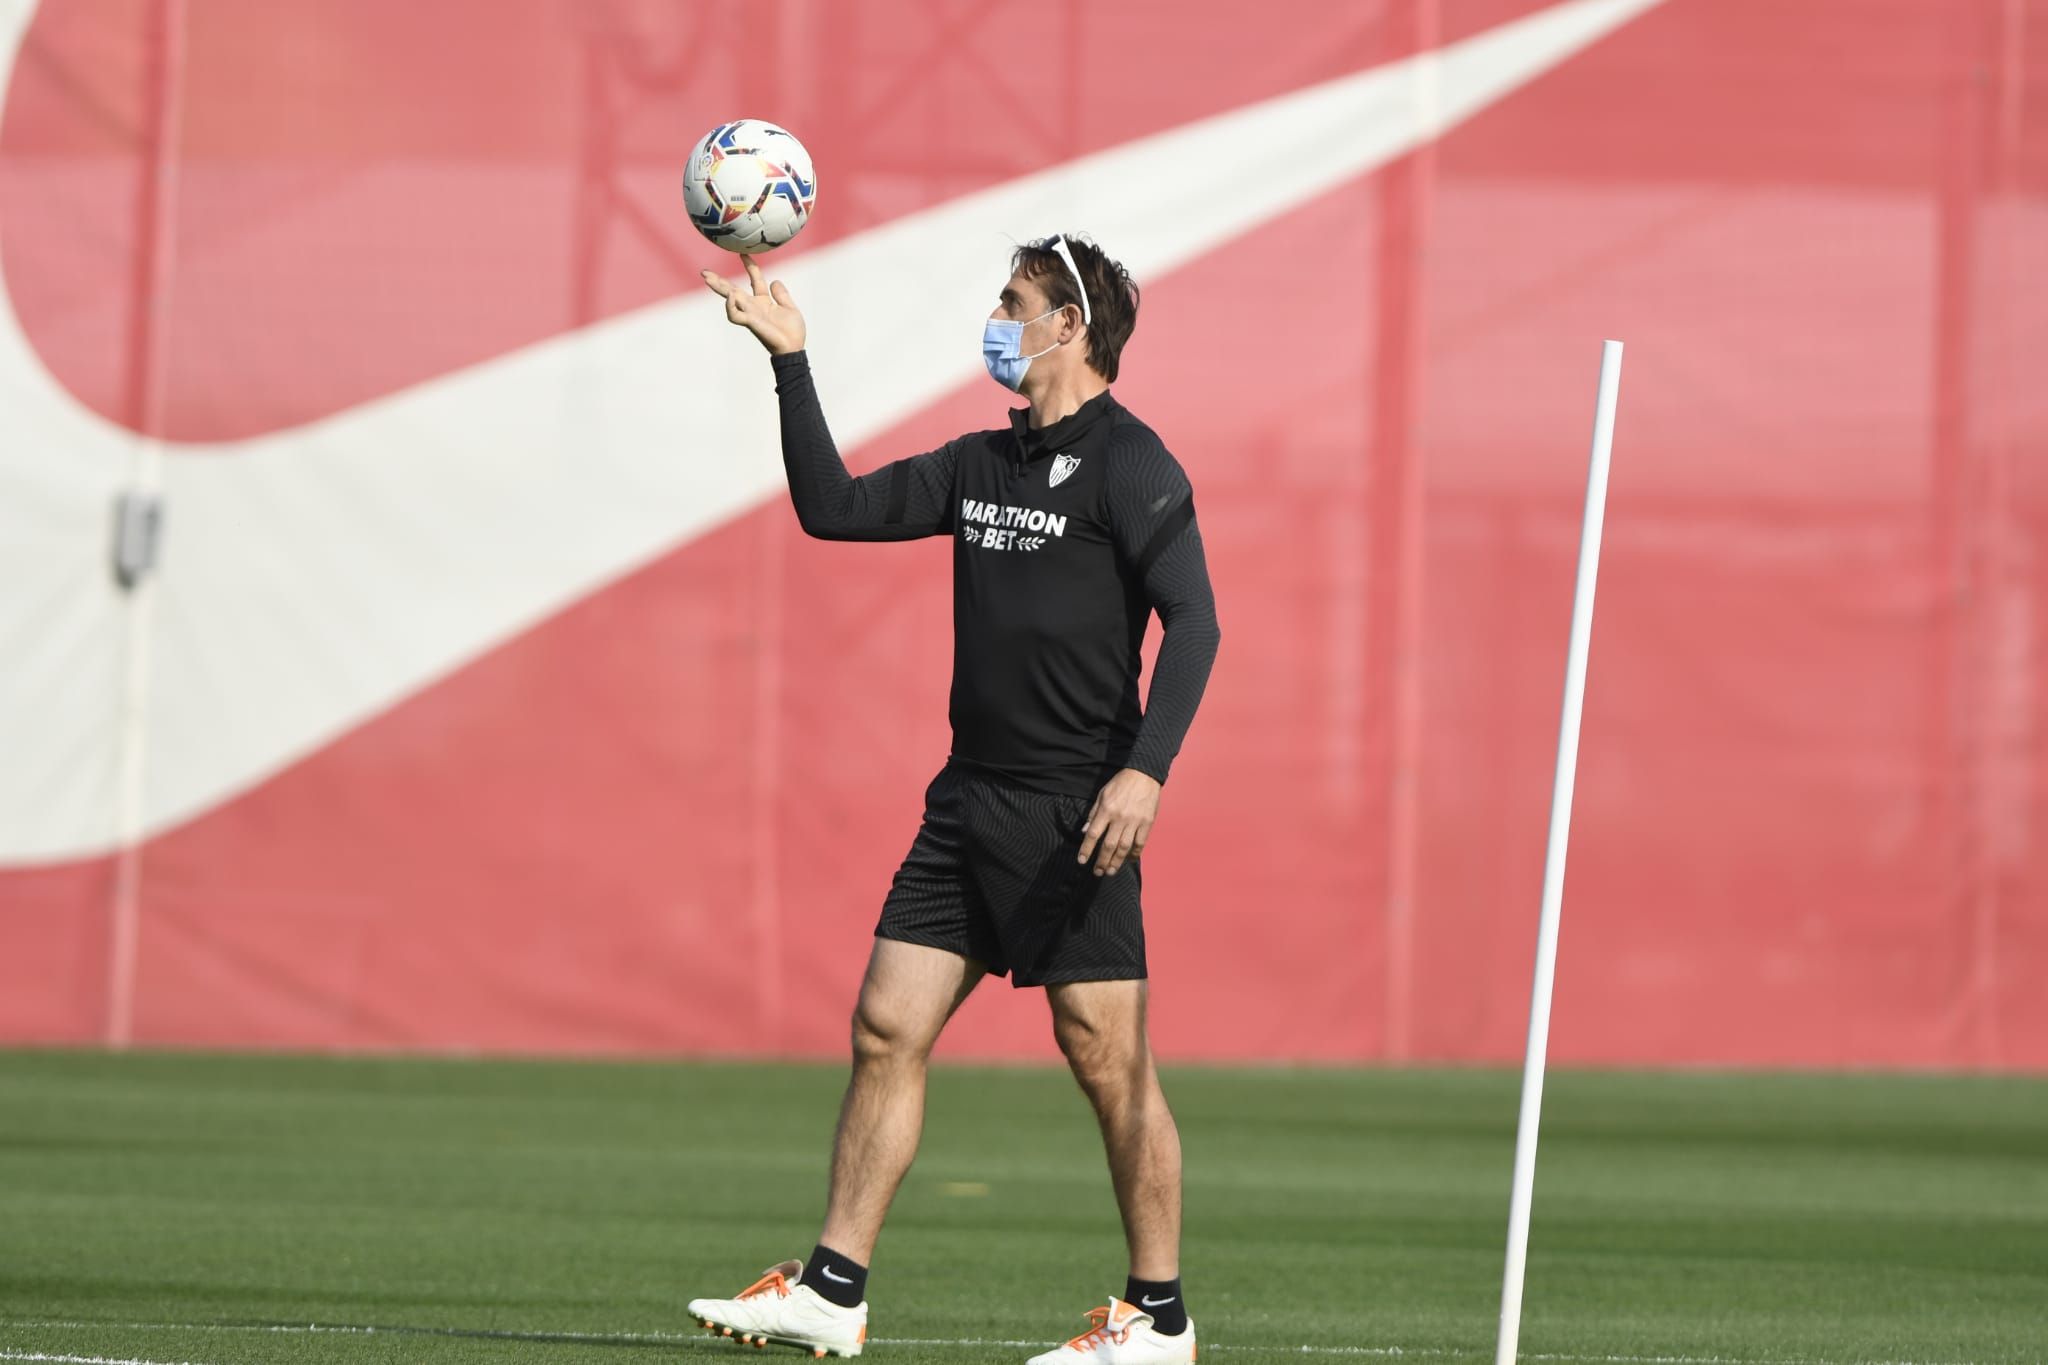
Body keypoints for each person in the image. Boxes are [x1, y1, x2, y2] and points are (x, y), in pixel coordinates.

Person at [687, 235, 1220, 1365]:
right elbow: (830, 508)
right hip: (967, 803)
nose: (995, 316)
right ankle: (832, 1290)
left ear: (1068, 326)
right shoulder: (984, 463)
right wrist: (790, 362)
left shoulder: (1134, 464)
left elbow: (1196, 624)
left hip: (1075, 808)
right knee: (886, 1026)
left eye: (1013, 301)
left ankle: (1156, 1319)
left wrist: (1145, 771)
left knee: (1106, 1060)